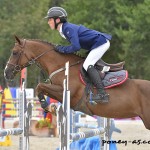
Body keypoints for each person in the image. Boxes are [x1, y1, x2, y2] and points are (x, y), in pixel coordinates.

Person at [44, 7, 112, 103]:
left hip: (101, 43)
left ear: (58, 20)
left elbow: (76, 47)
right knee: (86, 63)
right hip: (96, 44)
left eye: (50, 19)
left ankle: (102, 94)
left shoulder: (67, 28)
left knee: (87, 65)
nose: (48, 22)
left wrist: (61, 49)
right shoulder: (64, 30)